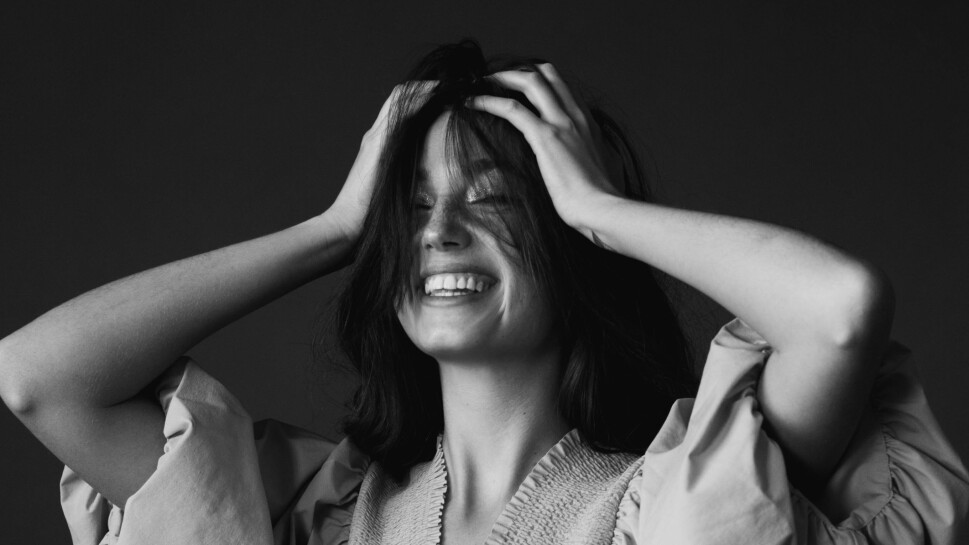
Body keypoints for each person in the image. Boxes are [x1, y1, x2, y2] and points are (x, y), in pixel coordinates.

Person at [1, 39, 966, 545]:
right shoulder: (319, 520)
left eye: (493, 200)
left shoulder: (682, 502)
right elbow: (40, 376)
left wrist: (597, 209)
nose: (439, 232)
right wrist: (334, 228)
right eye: (411, 207)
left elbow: (837, 311)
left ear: (568, 245)